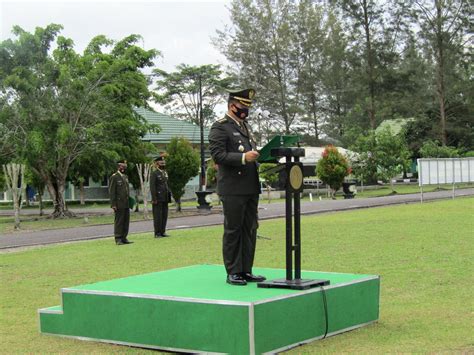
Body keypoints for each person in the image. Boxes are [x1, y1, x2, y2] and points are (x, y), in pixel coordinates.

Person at [208, 88, 266, 286]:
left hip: (250, 186)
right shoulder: (220, 127)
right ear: (231, 105)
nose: (245, 110)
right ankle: (233, 271)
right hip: (232, 188)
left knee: (250, 229)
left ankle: (246, 270)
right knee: (233, 229)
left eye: (247, 107)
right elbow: (218, 156)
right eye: (242, 107)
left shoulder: (245, 126)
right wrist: (243, 157)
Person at [109, 160, 133, 245]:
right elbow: (112, 192)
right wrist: (113, 204)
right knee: (119, 221)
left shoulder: (125, 176)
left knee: (126, 221)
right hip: (119, 203)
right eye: (122, 166)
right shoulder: (114, 177)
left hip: (126, 202)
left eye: (125, 166)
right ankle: (118, 238)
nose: (124, 167)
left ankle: (124, 237)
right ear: (118, 166)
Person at [150, 154, 171, 238]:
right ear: (157, 164)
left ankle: (163, 231)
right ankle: (157, 233)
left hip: (165, 197)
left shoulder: (165, 173)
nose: (163, 164)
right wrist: (154, 198)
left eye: (163, 163)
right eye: (161, 163)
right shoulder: (154, 173)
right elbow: (152, 187)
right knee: (158, 216)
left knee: (164, 215)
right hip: (158, 198)